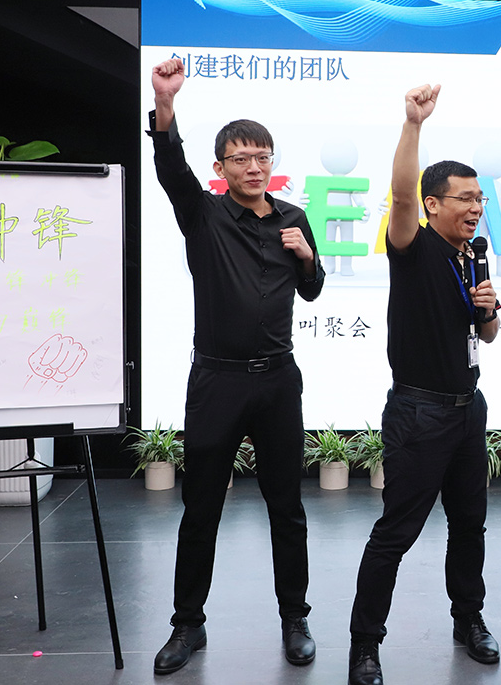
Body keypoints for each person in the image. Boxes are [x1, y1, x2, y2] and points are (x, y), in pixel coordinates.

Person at [146, 57, 325, 675]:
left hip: (278, 379)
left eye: (262, 157)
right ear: (220, 167)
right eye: (241, 159)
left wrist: (306, 258)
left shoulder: (294, 219)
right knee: (201, 508)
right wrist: (165, 105)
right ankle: (187, 625)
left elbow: (312, 291)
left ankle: (295, 618)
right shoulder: (204, 214)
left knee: (287, 508)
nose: (254, 168)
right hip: (217, 379)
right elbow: (170, 167)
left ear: (272, 163)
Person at [347, 84, 501, 685]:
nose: (476, 207)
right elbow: (400, 194)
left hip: (468, 409)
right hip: (419, 412)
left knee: (469, 525)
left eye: (480, 198)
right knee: (396, 533)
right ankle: (365, 644)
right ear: (432, 205)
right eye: (465, 198)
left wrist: (487, 310)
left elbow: (486, 336)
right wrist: (413, 124)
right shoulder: (413, 245)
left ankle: (469, 620)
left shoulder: (471, 256)